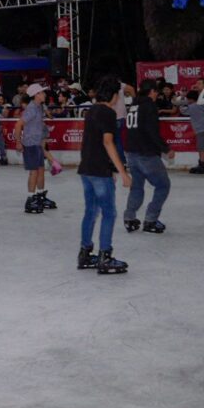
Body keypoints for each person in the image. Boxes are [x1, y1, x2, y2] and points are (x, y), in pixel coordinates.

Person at [76, 76, 132, 274]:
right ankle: (105, 256)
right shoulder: (108, 113)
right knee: (109, 213)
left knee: (91, 212)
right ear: (114, 95)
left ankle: (85, 253)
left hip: (86, 169)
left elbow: (92, 142)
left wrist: (110, 168)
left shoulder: (91, 111)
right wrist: (123, 172)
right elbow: (108, 142)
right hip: (99, 171)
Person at [122, 80, 174, 234]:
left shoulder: (134, 105)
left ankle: (129, 218)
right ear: (151, 91)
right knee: (163, 185)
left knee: (137, 187)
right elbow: (152, 131)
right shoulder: (149, 106)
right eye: (156, 91)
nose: (157, 94)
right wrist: (166, 148)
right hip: (146, 153)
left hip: (131, 153)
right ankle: (151, 220)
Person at [14, 84, 55, 213]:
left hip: (37, 144)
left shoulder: (39, 107)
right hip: (30, 144)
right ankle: (30, 200)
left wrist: (44, 133)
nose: (44, 94)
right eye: (42, 92)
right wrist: (18, 142)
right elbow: (18, 125)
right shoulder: (31, 109)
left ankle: (40, 196)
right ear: (36, 95)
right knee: (34, 172)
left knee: (41, 170)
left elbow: (38, 123)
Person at [185, 90, 204, 174]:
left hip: (201, 129)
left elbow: (183, 111)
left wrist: (181, 98)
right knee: (202, 147)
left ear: (191, 99)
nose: (187, 101)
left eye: (188, 99)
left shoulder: (192, 106)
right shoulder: (202, 105)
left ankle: (202, 165)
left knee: (201, 147)